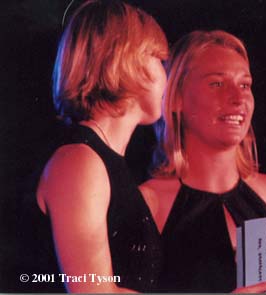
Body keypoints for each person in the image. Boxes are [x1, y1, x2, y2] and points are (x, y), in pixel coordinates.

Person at [18, 0, 168, 293]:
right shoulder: (79, 163)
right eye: (159, 61)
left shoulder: (103, 164)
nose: (166, 76)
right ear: (129, 61)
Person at [139, 30, 266, 293]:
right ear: (175, 97)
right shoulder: (148, 203)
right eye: (217, 84)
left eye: (245, 85)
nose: (238, 99)